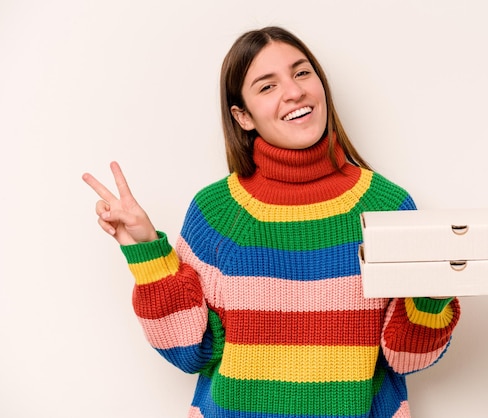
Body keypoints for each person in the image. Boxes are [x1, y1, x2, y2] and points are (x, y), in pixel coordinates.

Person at [82, 26, 461, 418]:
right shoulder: (218, 212)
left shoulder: (388, 206)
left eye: (301, 73)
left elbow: (408, 357)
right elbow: (188, 350)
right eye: (267, 86)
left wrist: (434, 291)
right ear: (242, 116)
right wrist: (148, 253)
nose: (294, 91)